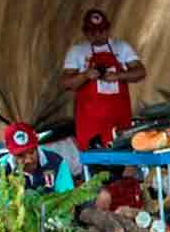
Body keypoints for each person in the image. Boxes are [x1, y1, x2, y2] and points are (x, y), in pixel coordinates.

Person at [60, 9, 147, 151]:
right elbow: (65, 83)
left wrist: (119, 76)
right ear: (85, 32)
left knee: (124, 158)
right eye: (92, 32)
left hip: (119, 120)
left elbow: (141, 72)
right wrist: (85, 75)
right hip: (90, 123)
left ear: (108, 29)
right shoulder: (77, 51)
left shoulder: (121, 47)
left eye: (102, 30)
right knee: (96, 163)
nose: (98, 35)